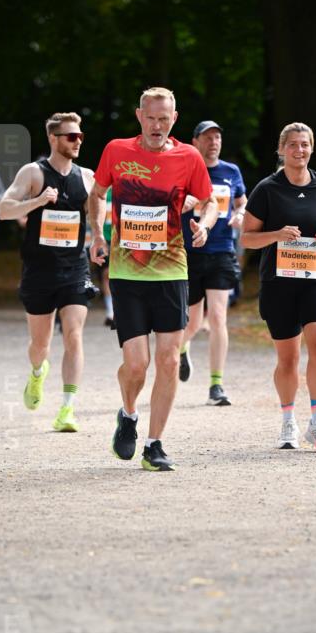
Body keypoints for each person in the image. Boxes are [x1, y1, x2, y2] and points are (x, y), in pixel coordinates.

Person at [88, 86, 216, 471]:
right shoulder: (117, 151)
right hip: (126, 273)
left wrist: (205, 225)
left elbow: (209, 201)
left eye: (164, 119)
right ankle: (128, 413)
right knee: (137, 364)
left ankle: (154, 444)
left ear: (174, 119)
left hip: (172, 270)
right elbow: (97, 193)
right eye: (151, 118)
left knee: (169, 360)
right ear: (139, 116)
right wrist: (97, 233)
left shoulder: (188, 156)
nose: (157, 125)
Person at [241, 123, 316, 452]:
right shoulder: (267, 189)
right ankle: (288, 420)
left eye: (304, 144)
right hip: (280, 283)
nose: (299, 150)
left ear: (311, 148)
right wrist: (276, 235)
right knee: (288, 358)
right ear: (281, 149)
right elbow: (246, 238)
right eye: (292, 145)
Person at [0, 112, 96, 432]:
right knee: (40, 345)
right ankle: (38, 373)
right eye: (71, 136)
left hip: (75, 267)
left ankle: (67, 409)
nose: (78, 141)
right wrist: (38, 201)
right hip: (39, 269)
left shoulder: (87, 177)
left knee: (74, 335)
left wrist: (99, 239)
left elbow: (98, 215)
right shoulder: (33, 173)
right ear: (54, 139)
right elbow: (3, 209)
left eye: (80, 136)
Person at [179, 120, 247, 406]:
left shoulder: (231, 172)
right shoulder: (184, 169)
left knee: (218, 316)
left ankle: (216, 385)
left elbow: (242, 201)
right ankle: (181, 348)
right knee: (193, 322)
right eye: (207, 137)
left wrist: (240, 214)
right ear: (195, 142)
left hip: (221, 250)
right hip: (190, 251)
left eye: (217, 137)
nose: (213, 142)